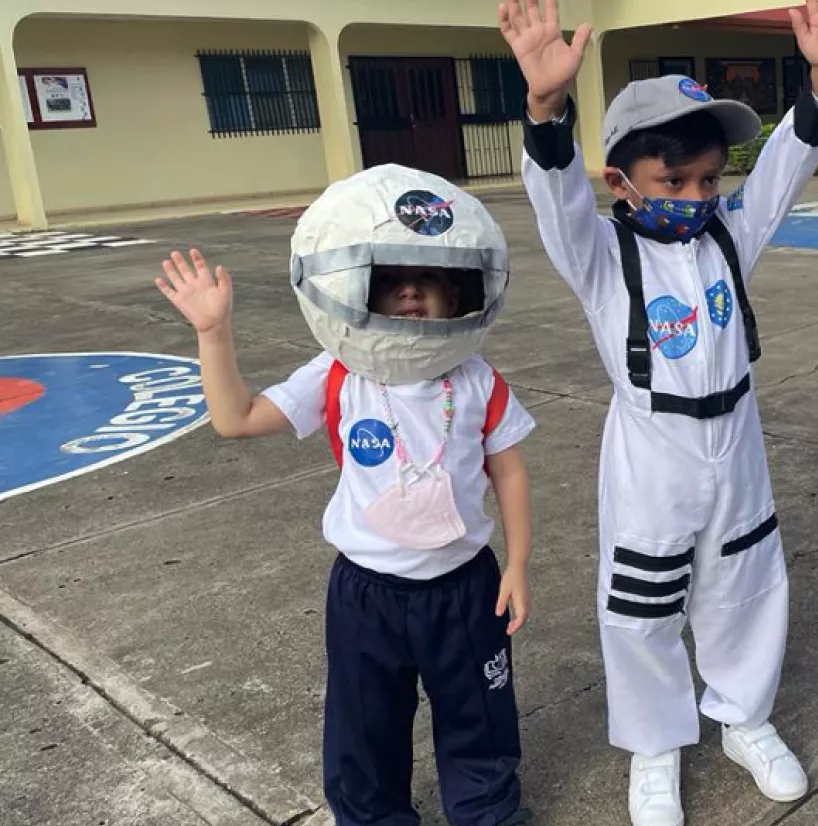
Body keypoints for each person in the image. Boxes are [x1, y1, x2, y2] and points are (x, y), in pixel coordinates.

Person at [500, 0, 818, 823]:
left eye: (708, 178)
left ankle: (743, 715)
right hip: (651, 447)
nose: (697, 195)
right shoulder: (600, 253)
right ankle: (657, 741)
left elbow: (780, 165)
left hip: (735, 440)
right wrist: (546, 110)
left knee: (746, 581)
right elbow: (556, 199)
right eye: (673, 182)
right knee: (642, 602)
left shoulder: (730, 235)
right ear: (620, 183)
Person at [155, 165, 537, 826]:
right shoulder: (337, 375)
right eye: (389, 280)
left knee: (479, 712)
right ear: (355, 291)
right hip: (367, 595)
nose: (411, 293)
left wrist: (519, 564)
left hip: (465, 588)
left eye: (429, 280)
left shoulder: (475, 379)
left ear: (460, 293)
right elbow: (235, 418)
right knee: (364, 723)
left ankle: (486, 808)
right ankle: (371, 815)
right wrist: (212, 333)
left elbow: (509, 472)